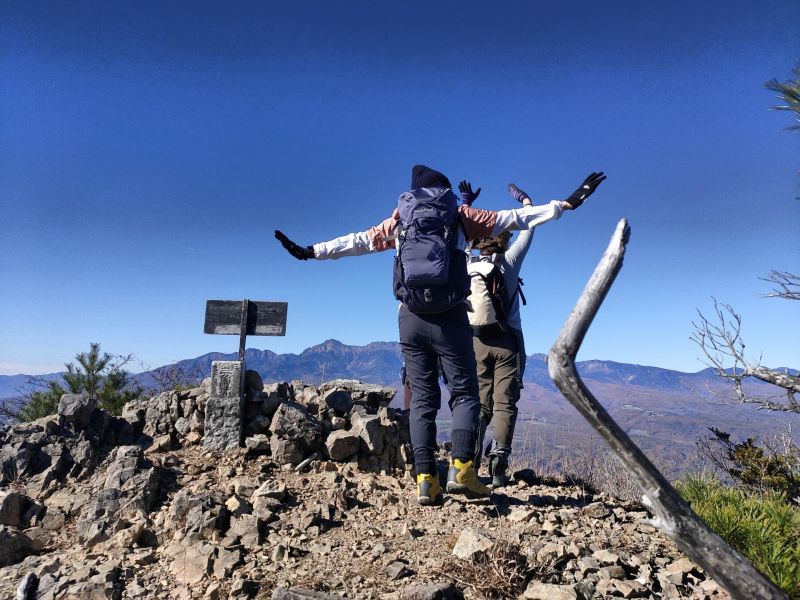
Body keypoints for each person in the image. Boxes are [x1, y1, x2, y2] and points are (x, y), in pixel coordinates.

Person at [274, 165, 597, 505]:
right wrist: (567, 203)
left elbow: (356, 242)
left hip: (410, 318)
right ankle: (463, 471)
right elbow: (517, 218)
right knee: (465, 394)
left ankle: (426, 480)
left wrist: (309, 251)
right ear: (443, 191)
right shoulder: (461, 215)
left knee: (423, 400)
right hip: (451, 319)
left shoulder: (400, 220)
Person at [461, 174, 606, 487]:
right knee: (505, 404)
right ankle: (498, 466)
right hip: (508, 342)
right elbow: (529, 226)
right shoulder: (510, 260)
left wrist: (466, 206)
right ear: (504, 237)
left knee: (480, 404)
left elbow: (459, 233)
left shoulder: (467, 263)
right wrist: (526, 202)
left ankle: (468, 463)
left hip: (475, 342)